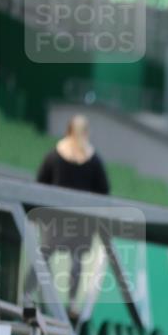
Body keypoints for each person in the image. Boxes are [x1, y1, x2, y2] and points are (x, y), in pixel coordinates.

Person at [29, 115, 110, 312]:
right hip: (75, 221)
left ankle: (30, 294)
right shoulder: (92, 159)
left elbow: (40, 184)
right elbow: (104, 192)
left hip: (60, 220)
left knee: (47, 256)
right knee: (70, 259)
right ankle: (65, 301)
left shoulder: (55, 156)